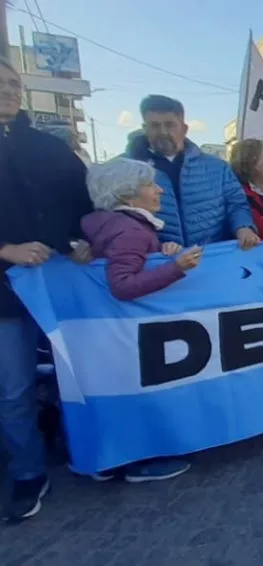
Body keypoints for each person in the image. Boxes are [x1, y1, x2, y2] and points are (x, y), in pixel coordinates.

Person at [0, 58, 94, 521]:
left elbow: (85, 206)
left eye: (14, 82)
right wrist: (6, 249)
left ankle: (94, 450)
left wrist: (85, 242)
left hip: (65, 290)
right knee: (14, 389)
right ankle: (27, 473)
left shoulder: (52, 149)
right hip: (5, 299)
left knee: (80, 376)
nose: (9, 89)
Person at [126, 95, 258, 250]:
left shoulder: (217, 168)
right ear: (145, 128)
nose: (162, 132)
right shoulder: (125, 171)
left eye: (169, 125)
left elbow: (236, 204)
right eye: (154, 125)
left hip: (212, 261)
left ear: (184, 129)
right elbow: (114, 216)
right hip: (159, 264)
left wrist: (243, 227)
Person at [81, 158, 202, 301]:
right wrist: (177, 267)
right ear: (126, 195)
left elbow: (123, 254)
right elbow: (122, 286)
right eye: (150, 185)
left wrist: (159, 250)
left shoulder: (111, 224)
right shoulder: (131, 231)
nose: (160, 190)